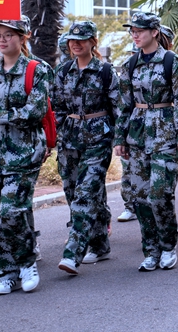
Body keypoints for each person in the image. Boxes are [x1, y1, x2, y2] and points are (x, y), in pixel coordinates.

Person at [0, 17, 52, 295]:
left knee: (11, 210)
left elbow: (35, 112)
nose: (2, 40)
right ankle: (5, 272)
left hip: (24, 153)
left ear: (23, 37)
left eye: (9, 35)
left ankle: (27, 262)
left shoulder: (36, 70)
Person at [114, 12, 178, 272]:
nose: (135, 34)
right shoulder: (130, 64)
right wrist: (120, 138)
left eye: (141, 30)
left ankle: (168, 245)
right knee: (139, 197)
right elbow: (124, 105)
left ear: (155, 32)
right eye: (132, 30)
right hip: (137, 136)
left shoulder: (172, 61)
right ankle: (151, 249)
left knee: (159, 194)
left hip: (166, 135)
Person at [53, 21, 120, 275]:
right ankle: (100, 244)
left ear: (93, 41)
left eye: (82, 39)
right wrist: (57, 135)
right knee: (73, 191)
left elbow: (119, 109)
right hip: (70, 138)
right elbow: (58, 107)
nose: (76, 44)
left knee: (86, 192)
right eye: (72, 40)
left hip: (98, 137)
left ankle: (72, 253)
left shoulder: (105, 71)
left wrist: (119, 140)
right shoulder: (63, 71)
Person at [117, 43, 139, 222]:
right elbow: (122, 105)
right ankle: (129, 206)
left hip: (156, 129)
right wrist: (120, 136)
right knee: (127, 170)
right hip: (132, 127)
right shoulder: (128, 68)